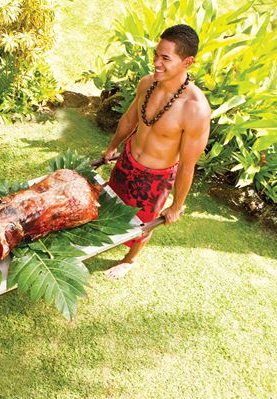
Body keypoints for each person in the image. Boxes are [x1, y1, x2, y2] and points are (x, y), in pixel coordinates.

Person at [102, 24, 211, 279]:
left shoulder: (195, 110)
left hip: (154, 178)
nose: (156, 63)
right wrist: (112, 147)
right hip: (127, 160)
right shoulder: (147, 83)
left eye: (165, 58)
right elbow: (129, 120)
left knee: (140, 226)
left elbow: (187, 165)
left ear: (188, 62)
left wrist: (176, 206)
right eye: (156, 55)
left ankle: (129, 260)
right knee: (107, 204)